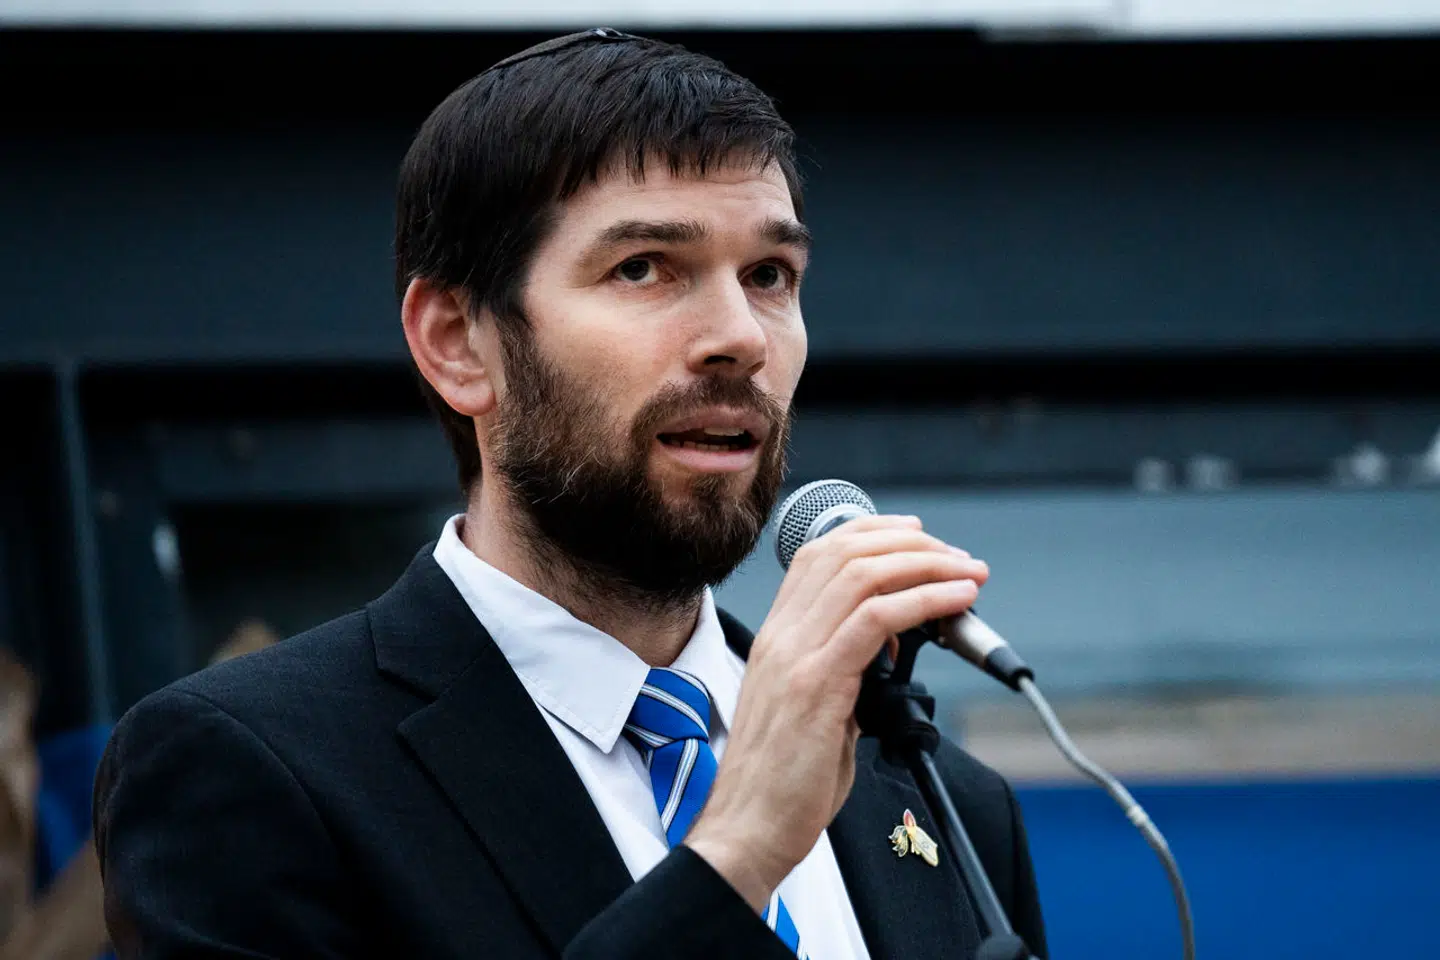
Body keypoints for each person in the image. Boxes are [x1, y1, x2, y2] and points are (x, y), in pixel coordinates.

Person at [93, 29, 1047, 960]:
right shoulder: (253, 767)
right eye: (644, 268)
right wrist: (735, 855)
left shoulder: (941, 800)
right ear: (459, 343)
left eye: (769, 275)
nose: (741, 337)